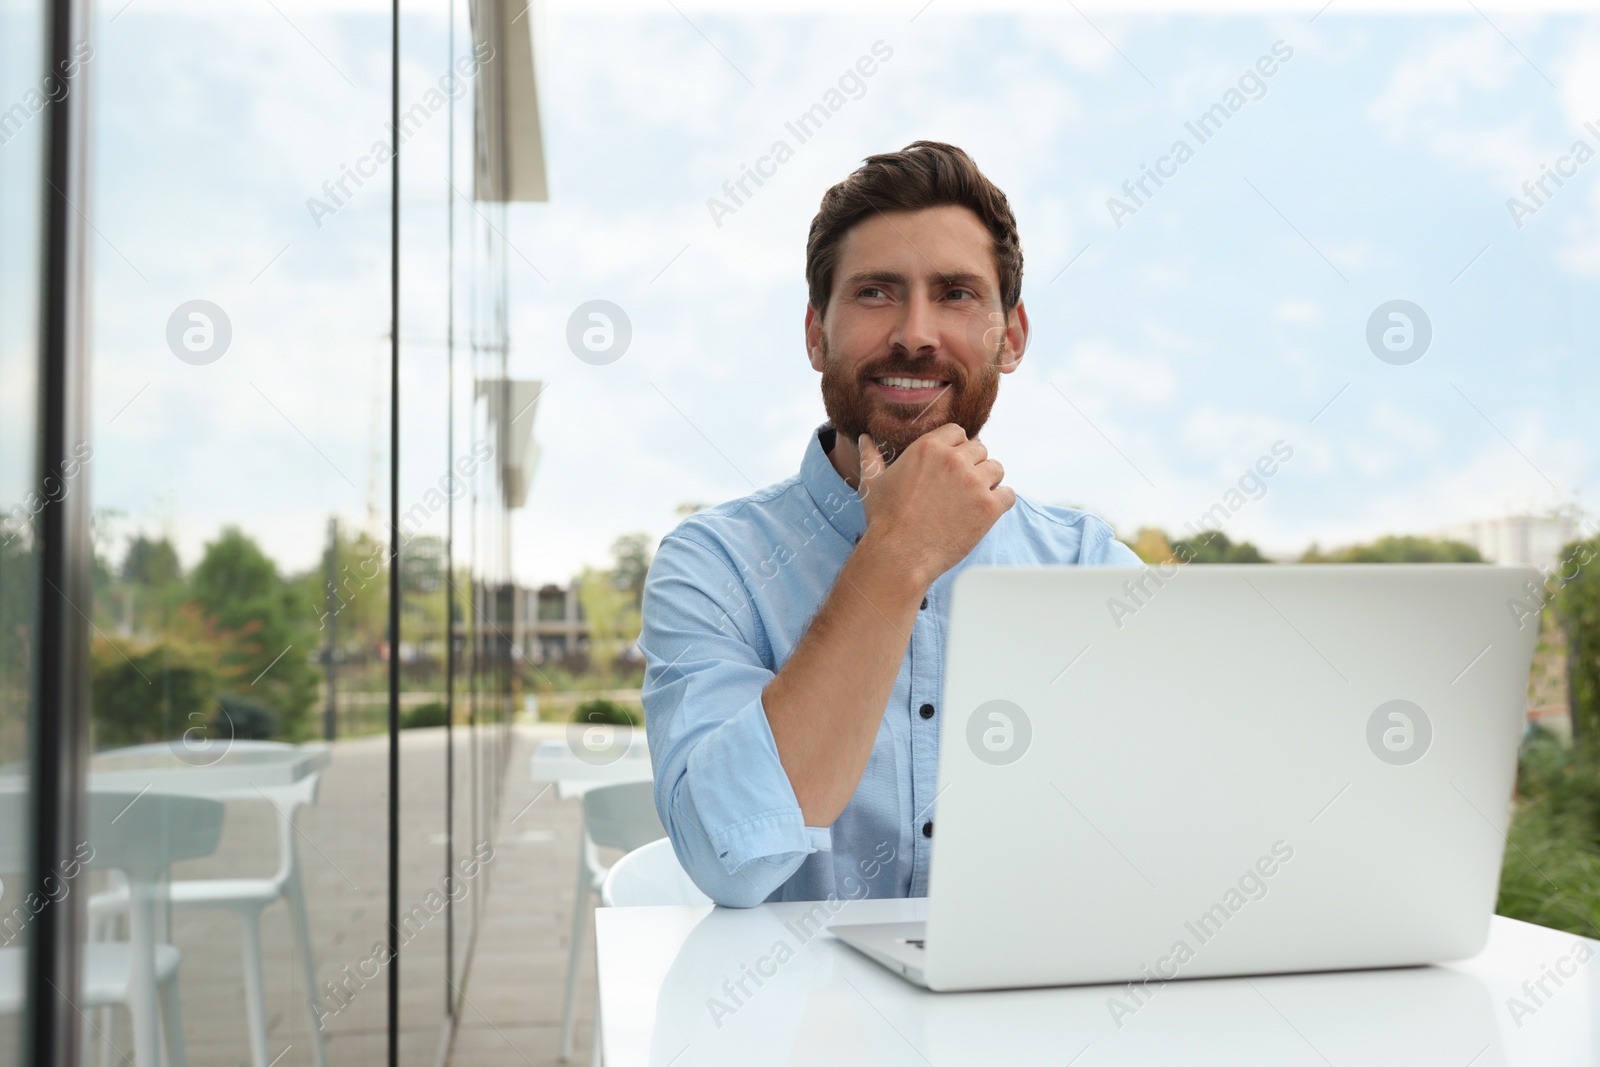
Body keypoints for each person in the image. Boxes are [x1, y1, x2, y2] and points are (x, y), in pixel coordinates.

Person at [639, 140, 1140, 907]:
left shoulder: (1088, 568)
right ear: (817, 334)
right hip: (782, 1025)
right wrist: (897, 554)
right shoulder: (715, 565)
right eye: (876, 292)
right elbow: (730, 859)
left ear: (1011, 338)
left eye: (957, 294)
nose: (916, 333)